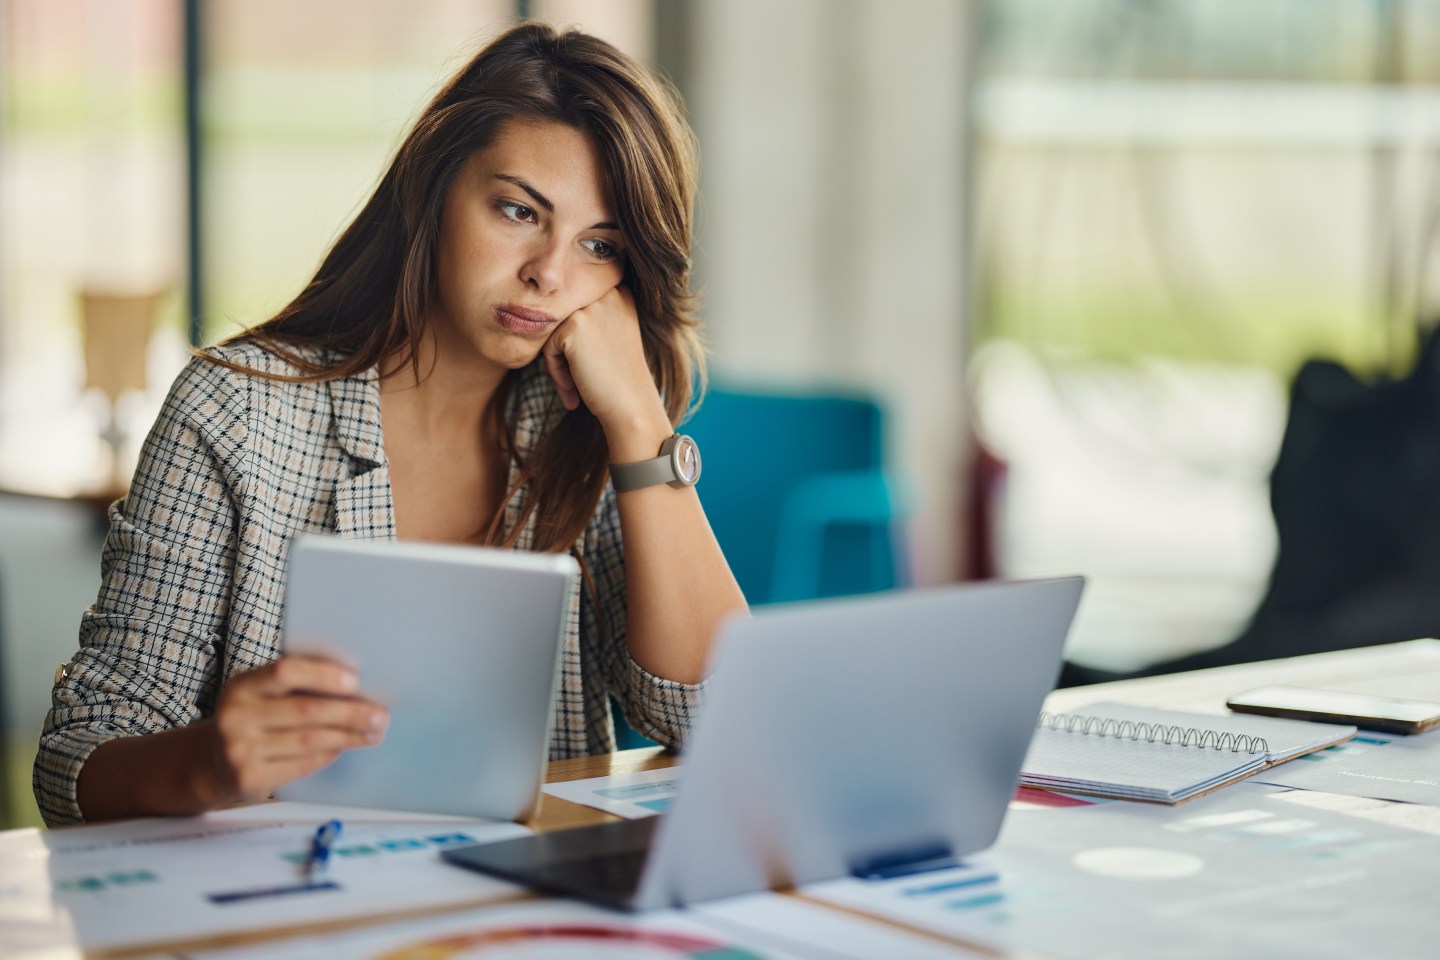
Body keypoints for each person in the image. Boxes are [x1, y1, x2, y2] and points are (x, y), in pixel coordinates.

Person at [35, 22, 747, 827]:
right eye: (518, 210)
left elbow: (720, 717)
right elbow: (75, 757)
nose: (549, 273)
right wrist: (208, 763)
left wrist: (639, 419)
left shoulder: (587, 424)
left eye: (599, 245)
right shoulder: (235, 411)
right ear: (433, 189)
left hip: (529, 893)